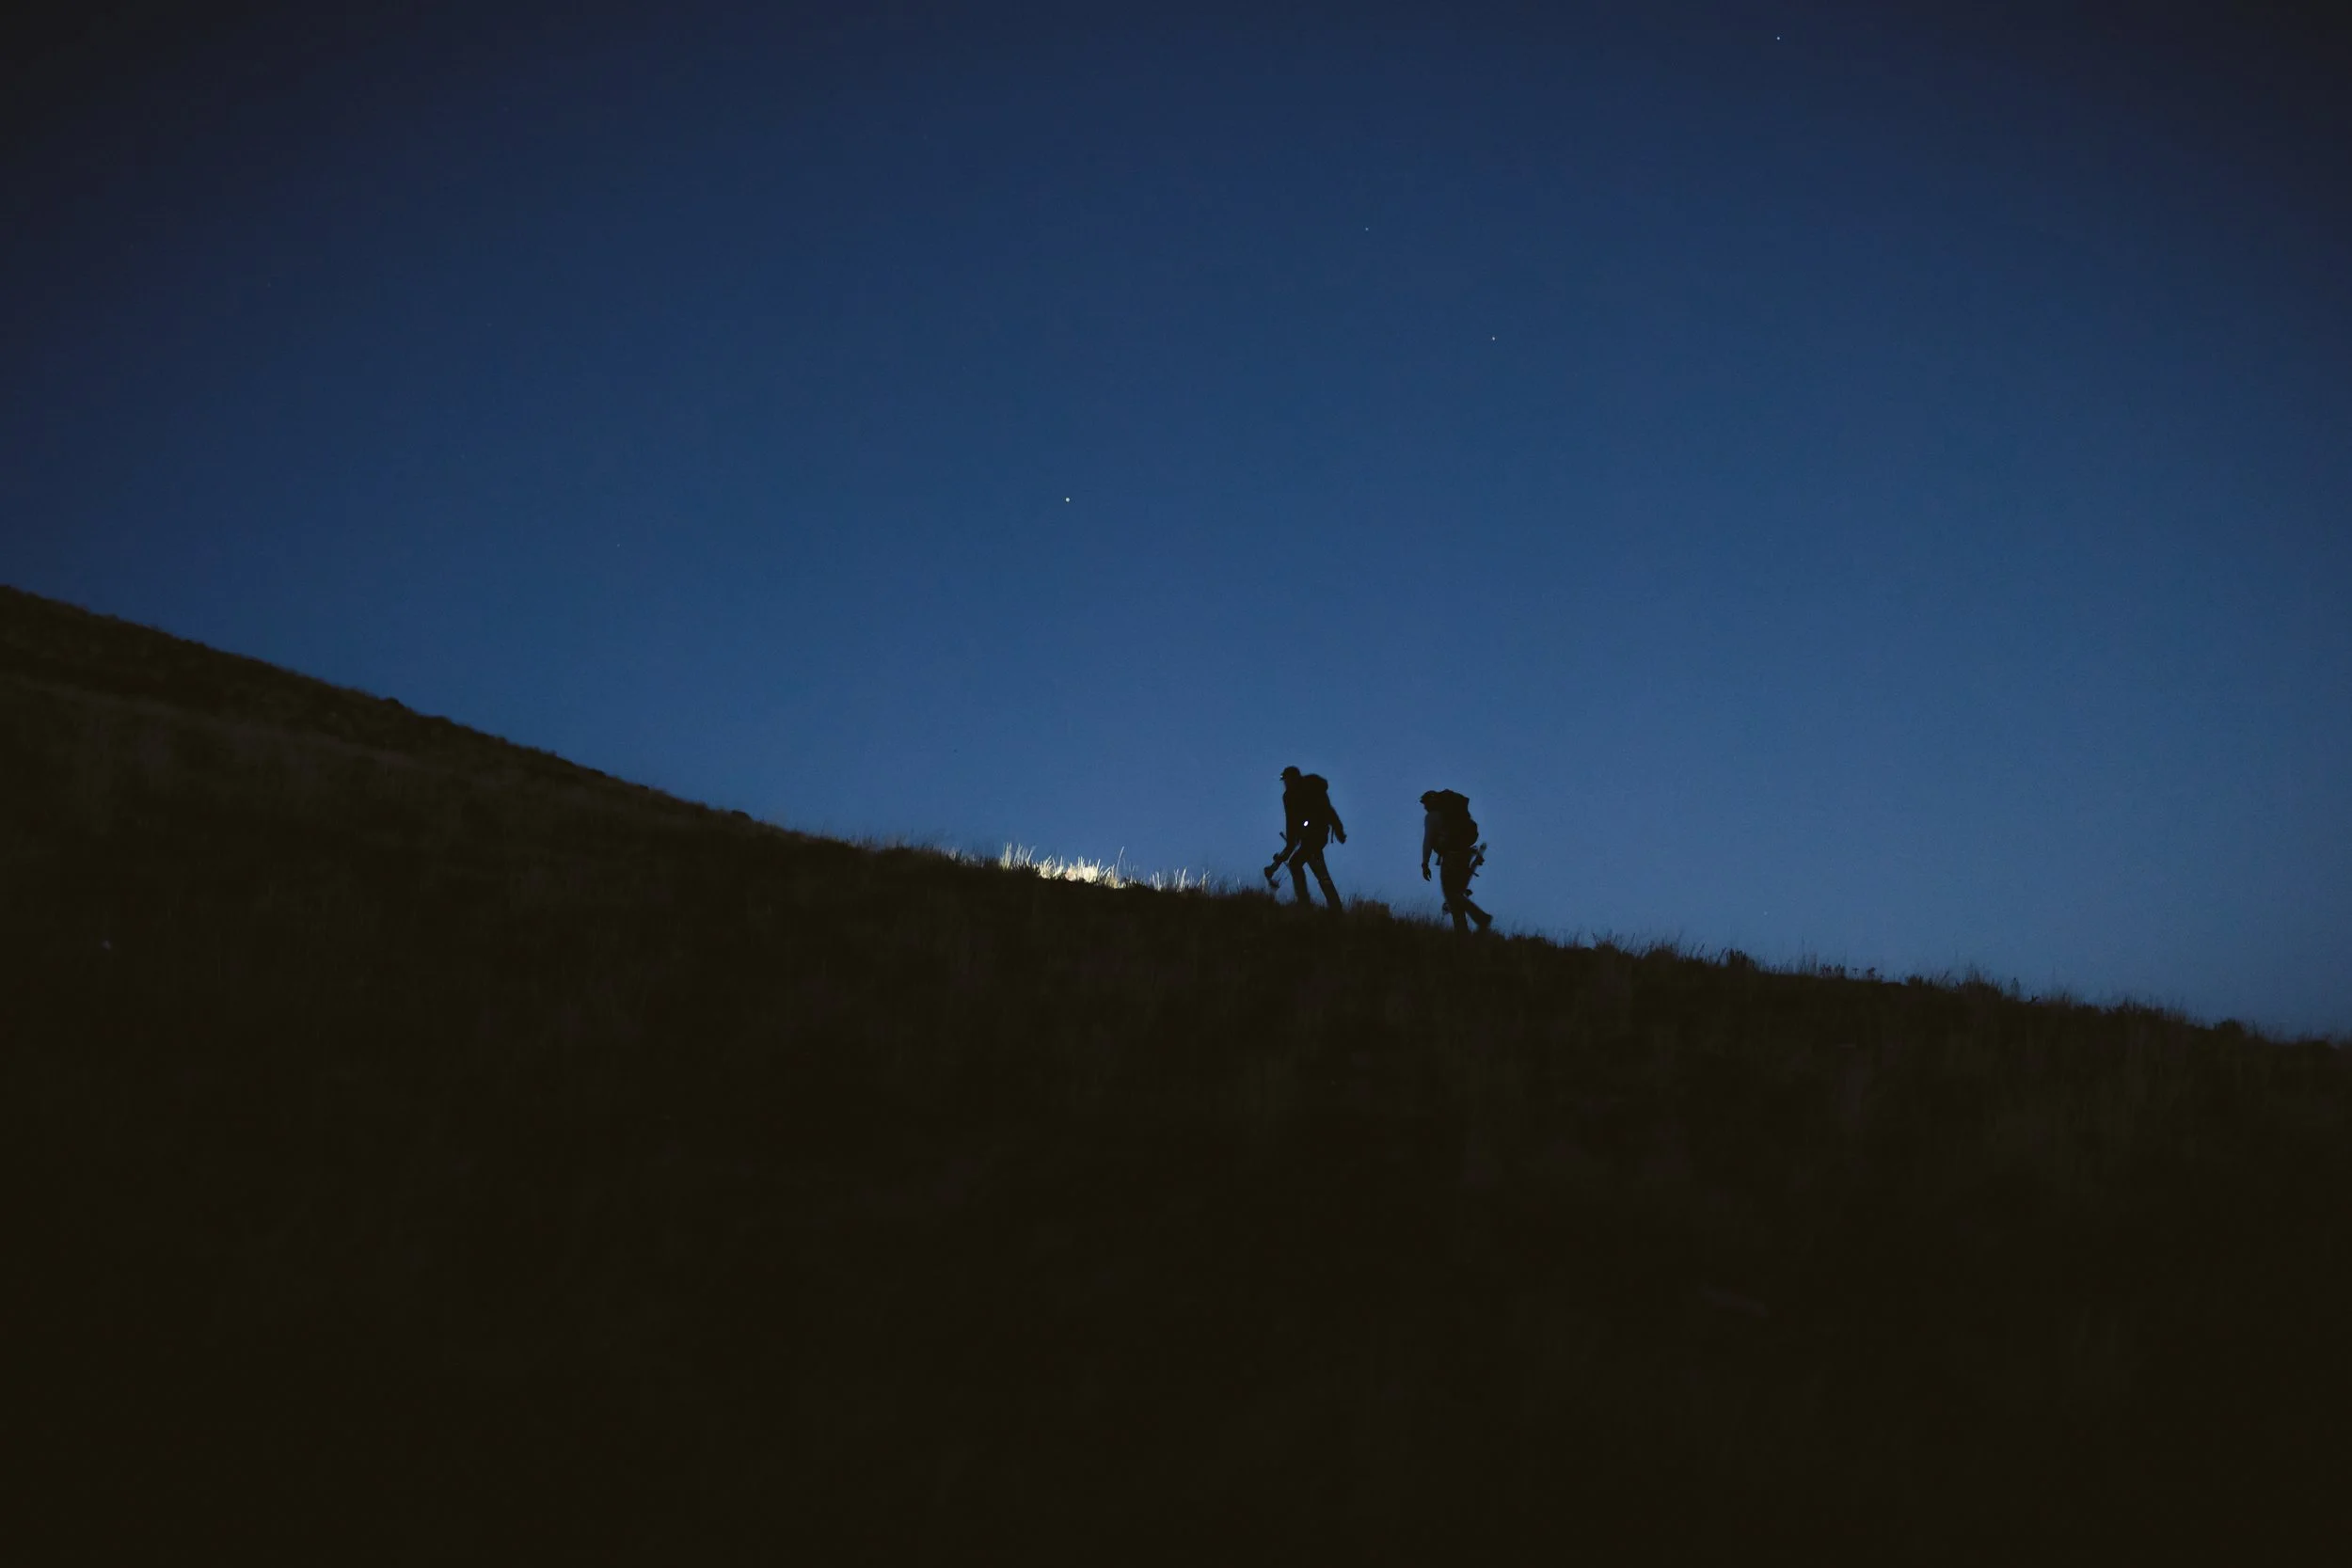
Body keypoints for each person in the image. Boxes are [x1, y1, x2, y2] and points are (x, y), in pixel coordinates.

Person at [1269, 765, 1345, 910]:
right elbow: (1291, 824)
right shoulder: (1289, 797)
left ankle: (1306, 903)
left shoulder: (1311, 789)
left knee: (1299, 864)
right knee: (1317, 871)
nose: (1285, 783)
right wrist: (1283, 855)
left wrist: (1339, 831)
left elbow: (1328, 811)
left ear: (1294, 778)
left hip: (1317, 835)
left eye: (1287, 779)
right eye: (1284, 780)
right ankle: (1332, 906)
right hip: (1306, 839)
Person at [1421, 788, 1492, 933]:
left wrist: (1425, 863)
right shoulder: (1452, 814)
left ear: (1430, 802)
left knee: (1451, 894)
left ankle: (1481, 918)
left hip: (1451, 856)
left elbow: (1427, 841)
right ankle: (1462, 932)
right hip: (1464, 854)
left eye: (1425, 803)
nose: (1424, 807)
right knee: (1456, 894)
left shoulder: (1432, 817)